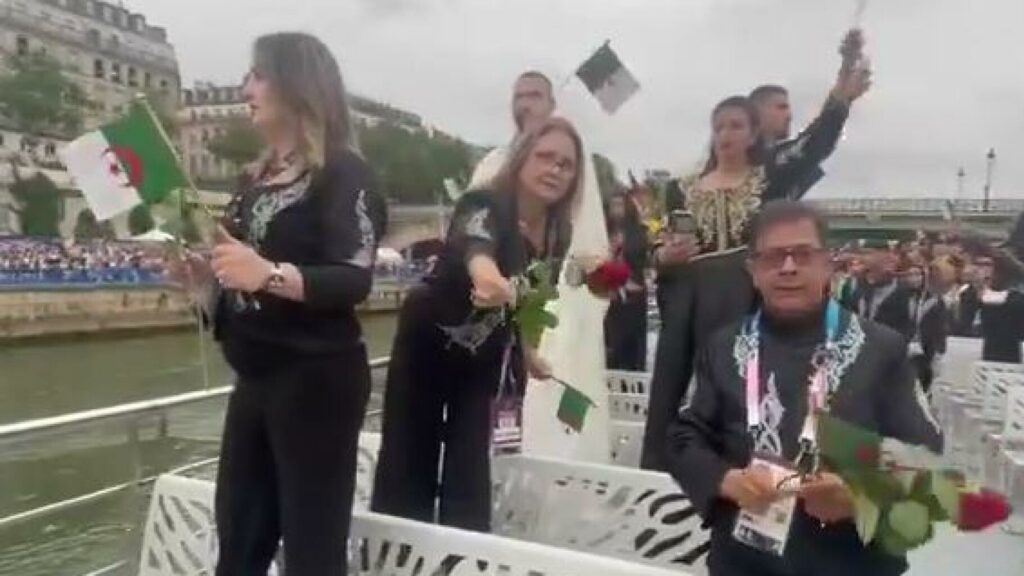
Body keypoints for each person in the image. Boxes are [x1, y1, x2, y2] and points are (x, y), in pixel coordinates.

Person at [171, 33, 386, 576]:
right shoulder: (254, 180)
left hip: (316, 380)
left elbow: (352, 277)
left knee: (312, 548)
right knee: (239, 537)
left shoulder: (344, 173)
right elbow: (239, 284)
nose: (247, 87)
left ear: (297, 85)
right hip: (257, 378)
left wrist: (267, 274)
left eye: (258, 75)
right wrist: (205, 283)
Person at [666, 200, 942, 576]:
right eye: (773, 257)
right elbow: (684, 435)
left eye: (802, 254)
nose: (788, 267)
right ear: (753, 271)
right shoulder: (723, 346)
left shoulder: (884, 349)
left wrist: (858, 494)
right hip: (742, 559)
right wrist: (725, 480)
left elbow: (927, 454)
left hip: (852, 561)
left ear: (828, 264)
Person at [372, 117, 584, 531]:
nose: (555, 169)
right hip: (429, 340)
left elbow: (533, 299)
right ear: (521, 159)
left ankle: (463, 560)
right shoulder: (484, 203)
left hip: (487, 350)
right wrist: (488, 277)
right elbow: (477, 246)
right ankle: (398, 554)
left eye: (566, 164)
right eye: (545, 157)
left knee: (470, 464)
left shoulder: (560, 231)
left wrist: (528, 352)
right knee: (408, 456)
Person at [467, 71, 557, 190]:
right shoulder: (493, 162)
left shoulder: (567, 161)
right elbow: (472, 204)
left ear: (551, 105)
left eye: (535, 96)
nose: (525, 104)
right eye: (519, 97)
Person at [604, 190, 649, 370]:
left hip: (633, 294)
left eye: (620, 205)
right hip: (609, 295)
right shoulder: (603, 232)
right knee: (611, 345)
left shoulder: (638, 232)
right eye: (613, 205)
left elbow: (640, 258)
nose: (617, 210)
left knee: (633, 346)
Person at [902, 263, 947, 393]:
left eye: (917, 275)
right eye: (910, 275)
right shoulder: (901, 297)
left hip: (926, 350)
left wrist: (939, 351)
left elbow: (940, 328)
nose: (913, 278)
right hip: (903, 347)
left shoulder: (935, 301)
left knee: (923, 385)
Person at [856, 244, 912, 336]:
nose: (871, 277)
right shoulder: (862, 291)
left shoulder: (904, 294)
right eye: (871, 272)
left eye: (876, 271)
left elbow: (907, 328)